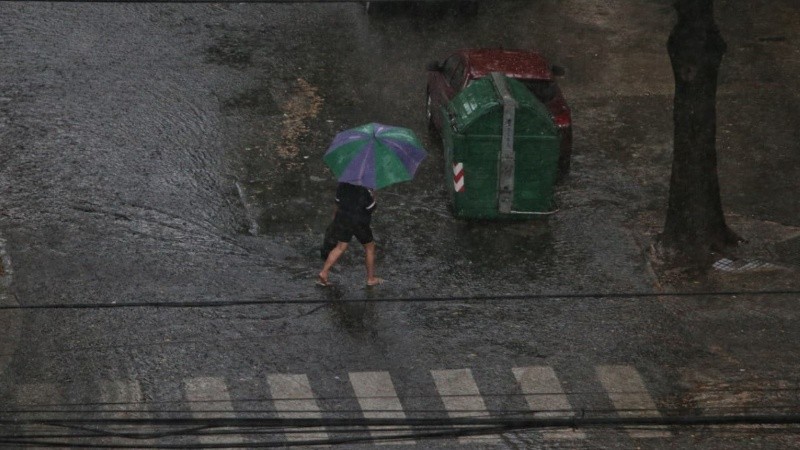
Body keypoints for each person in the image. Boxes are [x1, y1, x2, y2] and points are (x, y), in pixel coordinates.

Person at [318, 182, 384, 287]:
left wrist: (335, 218)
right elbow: (370, 208)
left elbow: (337, 202)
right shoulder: (365, 189)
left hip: (343, 218)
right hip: (359, 222)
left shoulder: (343, 184)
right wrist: (374, 196)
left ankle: (324, 272)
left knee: (340, 247)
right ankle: (371, 279)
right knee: (369, 247)